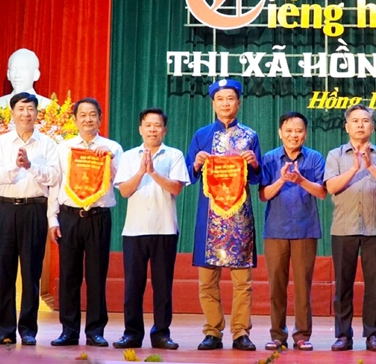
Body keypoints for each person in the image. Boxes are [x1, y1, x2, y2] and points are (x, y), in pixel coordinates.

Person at [186, 79, 262, 351]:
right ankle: (212, 331)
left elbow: (256, 178)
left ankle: (241, 332)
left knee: (243, 282)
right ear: (213, 103)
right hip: (210, 216)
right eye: (220, 99)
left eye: (231, 98)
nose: (226, 103)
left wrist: (253, 164)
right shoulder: (202, 134)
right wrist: (196, 163)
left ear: (239, 102)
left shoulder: (250, 135)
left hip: (240, 216)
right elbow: (189, 175)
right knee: (207, 281)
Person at [111, 108, 190, 350]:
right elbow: (124, 191)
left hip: (164, 229)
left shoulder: (173, 155)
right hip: (134, 230)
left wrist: (153, 172)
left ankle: (161, 334)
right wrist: (141, 172)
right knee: (133, 285)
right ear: (140, 129)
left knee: (162, 286)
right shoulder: (129, 157)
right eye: (148, 125)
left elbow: (176, 188)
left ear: (164, 130)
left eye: (157, 125)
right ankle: (132, 333)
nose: (153, 129)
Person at [47, 98, 123, 348]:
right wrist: (52, 218)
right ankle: (68, 331)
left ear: (100, 119)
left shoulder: (113, 147)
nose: (88, 119)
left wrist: (109, 161)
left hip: (98, 217)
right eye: (83, 115)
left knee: (96, 276)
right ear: (75, 120)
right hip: (69, 215)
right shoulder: (63, 148)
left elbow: (121, 182)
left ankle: (95, 331)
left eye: (93, 115)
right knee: (69, 276)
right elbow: (55, 184)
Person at [0, 92, 61, 346]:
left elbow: (54, 177)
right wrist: (16, 167)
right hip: (6, 210)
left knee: (31, 272)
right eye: (21, 109)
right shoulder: (0, 143)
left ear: (37, 114)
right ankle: (4, 329)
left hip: (34, 210)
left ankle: (28, 329)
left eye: (31, 109)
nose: (26, 114)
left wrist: (31, 166)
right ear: (12, 113)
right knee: (4, 271)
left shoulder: (49, 144)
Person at [325, 104, 376, 353]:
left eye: (365, 120)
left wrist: (370, 166)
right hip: (343, 228)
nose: (360, 125)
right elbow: (331, 187)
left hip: (375, 229)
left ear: (372, 126)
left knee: (374, 285)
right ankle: (343, 335)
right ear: (347, 126)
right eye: (355, 121)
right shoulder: (336, 155)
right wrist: (355, 168)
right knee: (343, 285)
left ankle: (374, 335)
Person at [259, 112, 326, 352]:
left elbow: (322, 192)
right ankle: (277, 335)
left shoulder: (315, 158)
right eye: (288, 131)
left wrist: (300, 180)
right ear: (280, 133)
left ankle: (302, 335)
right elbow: (263, 194)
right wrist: (281, 180)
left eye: (298, 131)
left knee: (302, 286)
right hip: (276, 229)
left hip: (306, 229)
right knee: (276, 285)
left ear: (305, 133)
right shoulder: (269, 158)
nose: (293, 135)